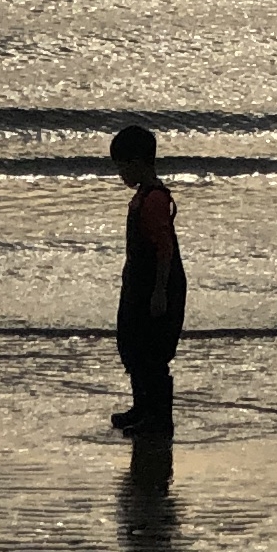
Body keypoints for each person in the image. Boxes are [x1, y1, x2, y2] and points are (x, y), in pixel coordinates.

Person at [108, 121, 185, 437]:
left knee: (152, 354)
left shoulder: (154, 199)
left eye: (122, 168)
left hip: (156, 287)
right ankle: (142, 408)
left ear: (137, 162)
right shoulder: (143, 195)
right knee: (132, 345)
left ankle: (158, 418)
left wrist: (159, 292)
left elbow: (164, 249)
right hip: (139, 284)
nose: (121, 175)